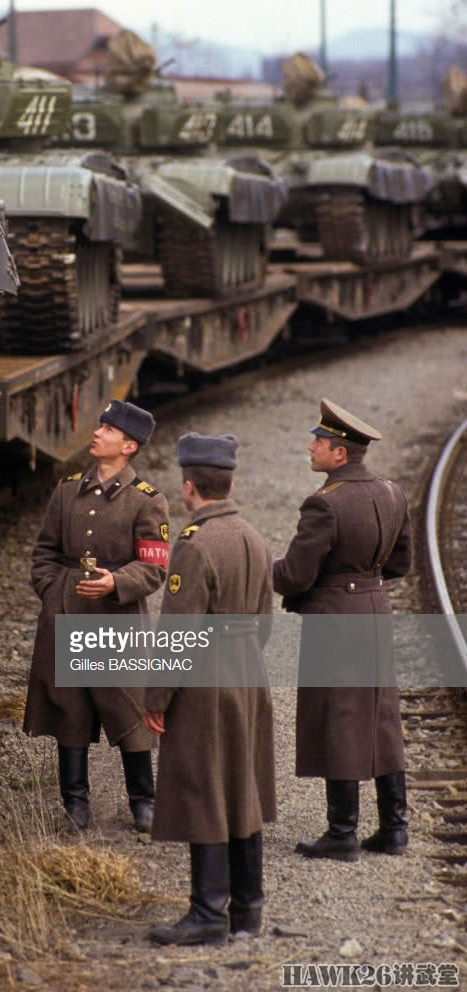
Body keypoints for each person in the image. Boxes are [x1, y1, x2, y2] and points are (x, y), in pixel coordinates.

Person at [143, 432, 275, 946]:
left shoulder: (195, 547)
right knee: (243, 789)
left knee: (203, 789)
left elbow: (178, 632)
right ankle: (248, 911)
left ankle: (206, 914)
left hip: (204, 677)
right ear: (231, 482)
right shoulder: (254, 537)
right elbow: (264, 624)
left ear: (189, 487)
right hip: (248, 672)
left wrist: (157, 699)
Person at [273, 398, 412, 861]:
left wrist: (258, 571)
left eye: (319, 441)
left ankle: (342, 833)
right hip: (375, 611)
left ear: (340, 453)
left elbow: (294, 575)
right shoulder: (392, 492)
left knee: (339, 717)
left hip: (334, 619)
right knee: (381, 716)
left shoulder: (324, 505)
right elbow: (400, 564)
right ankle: (394, 829)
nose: (311, 447)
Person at [24, 400, 170, 832]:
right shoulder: (67, 490)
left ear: (129, 445)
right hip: (65, 613)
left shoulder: (148, 501)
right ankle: (75, 803)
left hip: (117, 620)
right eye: (100, 423)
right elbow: (44, 552)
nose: (97, 431)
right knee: (69, 708)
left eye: (108, 428)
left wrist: (115, 584)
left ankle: (143, 800)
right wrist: (53, 591)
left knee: (128, 708)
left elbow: (155, 567)